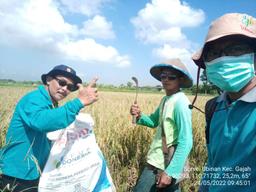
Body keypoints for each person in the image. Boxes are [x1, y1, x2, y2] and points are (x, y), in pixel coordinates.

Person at [0, 64, 98, 191]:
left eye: (70, 87)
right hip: (19, 173)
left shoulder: (52, 104)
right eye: (61, 82)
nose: (65, 89)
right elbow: (42, 121)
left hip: (36, 171)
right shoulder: (34, 99)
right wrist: (78, 103)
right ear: (48, 80)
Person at [192, 13, 256, 192]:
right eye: (213, 53)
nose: (222, 59)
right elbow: (213, 163)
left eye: (235, 49)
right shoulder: (213, 107)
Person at [130, 59, 193, 192]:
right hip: (157, 159)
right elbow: (154, 121)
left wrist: (171, 172)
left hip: (166, 163)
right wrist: (139, 115)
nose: (166, 79)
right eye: (163, 76)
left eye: (171, 77)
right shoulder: (165, 99)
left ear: (180, 79)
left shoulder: (181, 103)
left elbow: (186, 140)